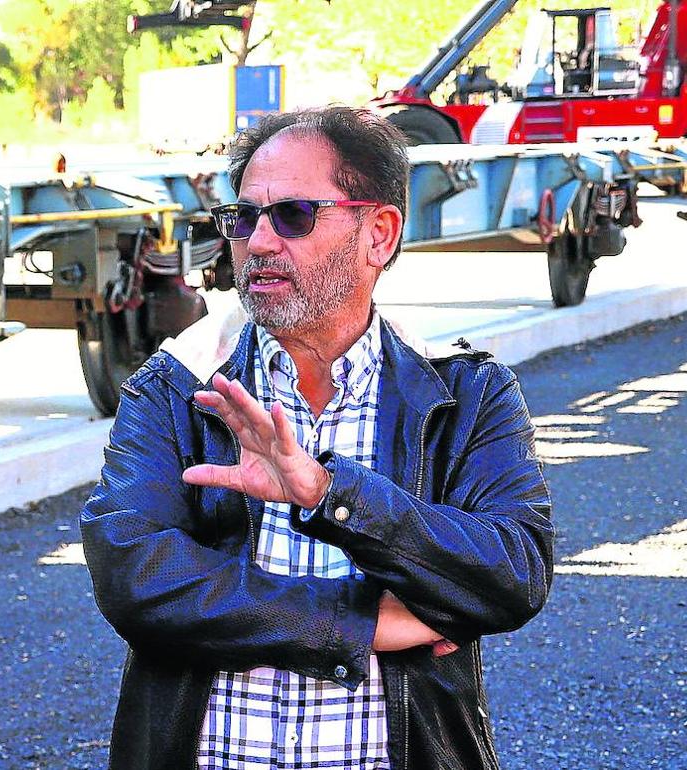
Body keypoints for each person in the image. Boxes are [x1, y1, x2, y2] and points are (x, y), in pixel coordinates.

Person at [80, 106, 553, 770]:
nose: (260, 243)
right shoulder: (175, 389)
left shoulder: (466, 395)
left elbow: (514, 572)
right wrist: (360, 626)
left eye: (295, 216)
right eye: (243, 219)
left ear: (379, 234)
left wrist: (333, 495)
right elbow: (136, 578)